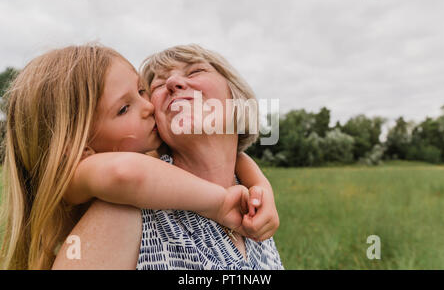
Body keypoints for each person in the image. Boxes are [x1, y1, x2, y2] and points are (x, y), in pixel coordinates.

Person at [0, 44, 278, 270]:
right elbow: (126, 173)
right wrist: (220, 203)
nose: (172, 82)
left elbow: (239, 157)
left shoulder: (254, 203)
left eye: (195, 71)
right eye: (156, 85)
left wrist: (262, 188)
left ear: (237, 97)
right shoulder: (125, 207)